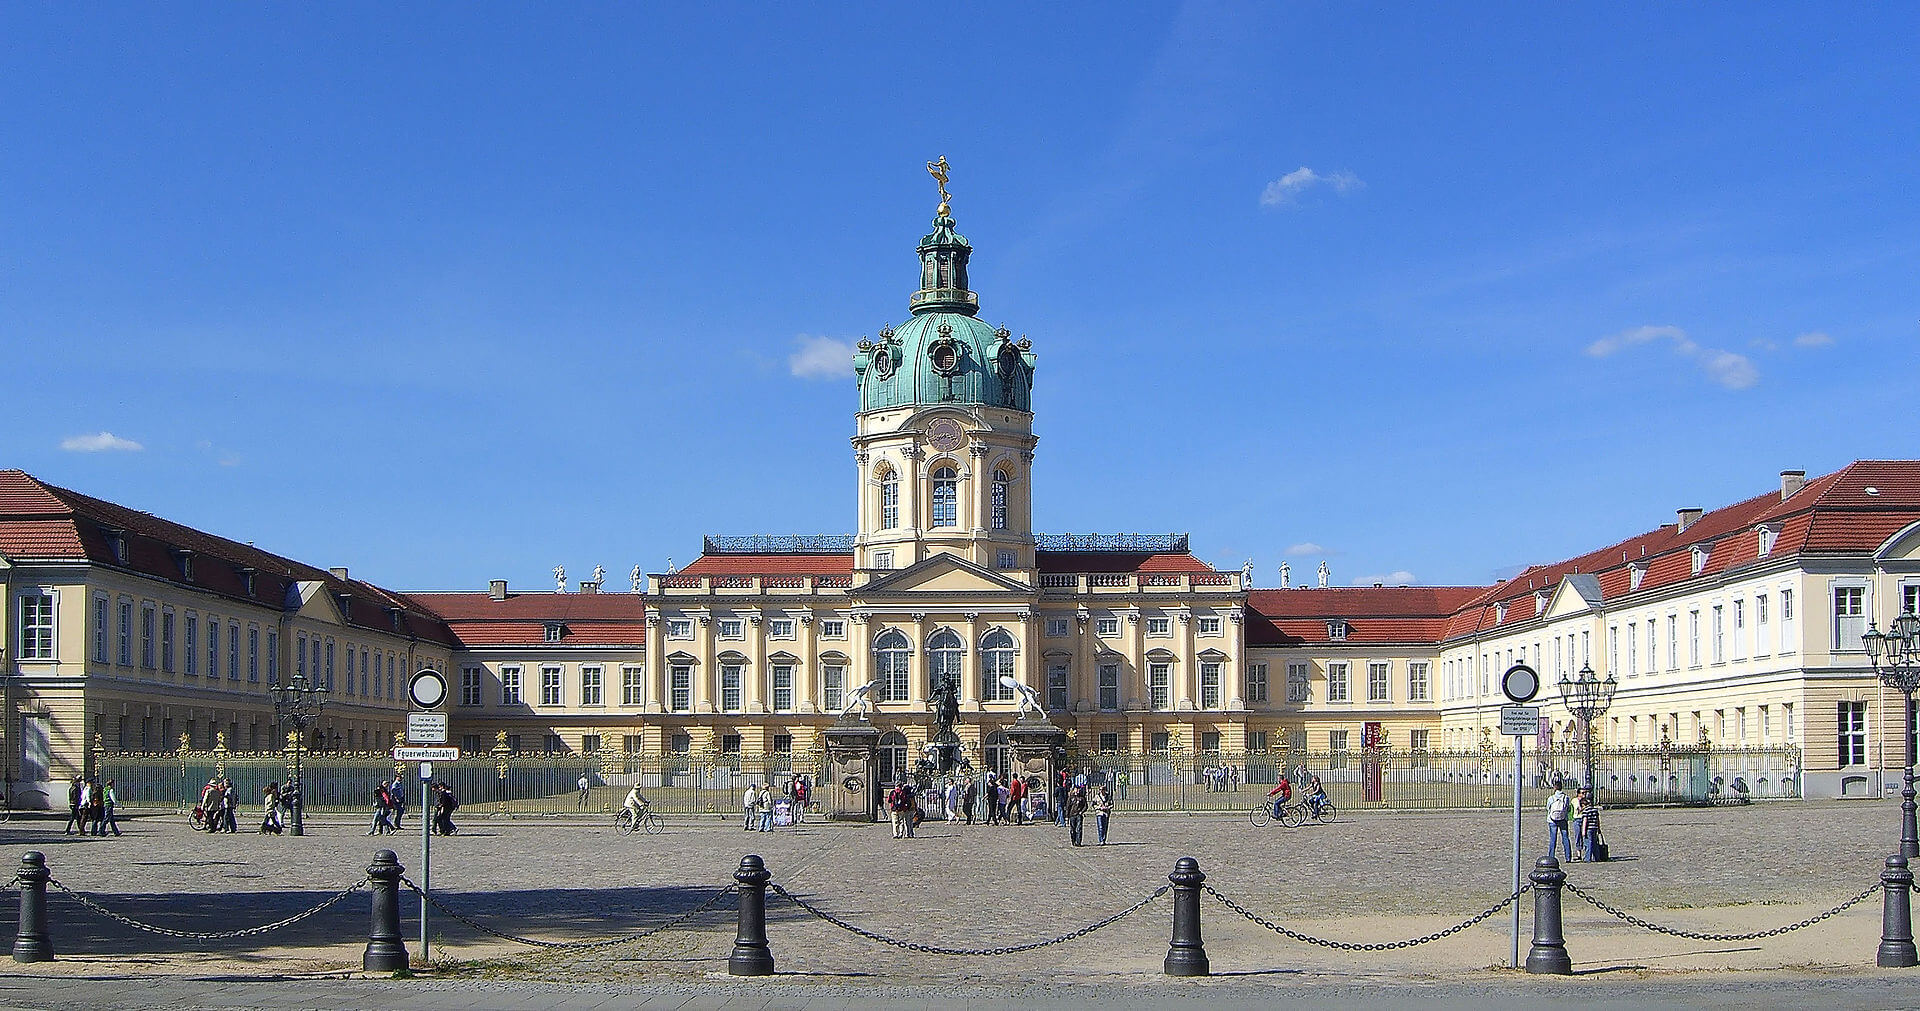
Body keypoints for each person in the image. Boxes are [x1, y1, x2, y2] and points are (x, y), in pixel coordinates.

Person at [1545, 784, 1573, 860]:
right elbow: (1567, 807)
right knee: (1565, 838)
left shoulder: (1551, 798)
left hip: (1552, 820)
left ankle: (1551, 856)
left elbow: (1548, 808)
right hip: (1563, 819)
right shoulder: (1565, 797)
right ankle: (1568, 857)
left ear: (1554, 788)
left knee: (1553, 839)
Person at [1569, 788, 1590, 862]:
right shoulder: (1574, 800)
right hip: (1577, 819)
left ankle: (1588, 853)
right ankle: (1579, 854)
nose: (1584, 795)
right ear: (1578, 793)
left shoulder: (1587, 801)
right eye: (1582, 793)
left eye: (1584, 793)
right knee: (1578, 836)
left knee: (1586, 836)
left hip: (1585, 818)